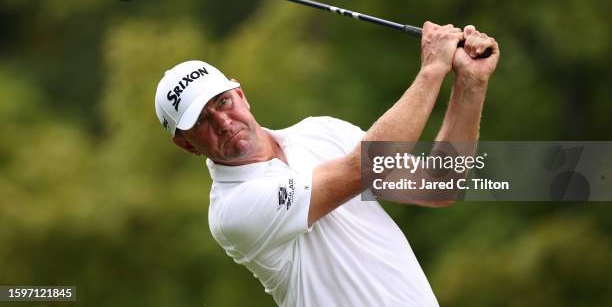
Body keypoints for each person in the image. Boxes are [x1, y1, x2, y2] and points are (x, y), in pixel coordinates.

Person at [154, 21, 500, 306]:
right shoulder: (234, 210)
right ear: (186, 145)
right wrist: (432, 70)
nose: (224, 122)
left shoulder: (320, 131)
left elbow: (437, 187)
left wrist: (470, 84)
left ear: (241, 96)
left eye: (223, 101)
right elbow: (364, 167)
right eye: (201, 120)